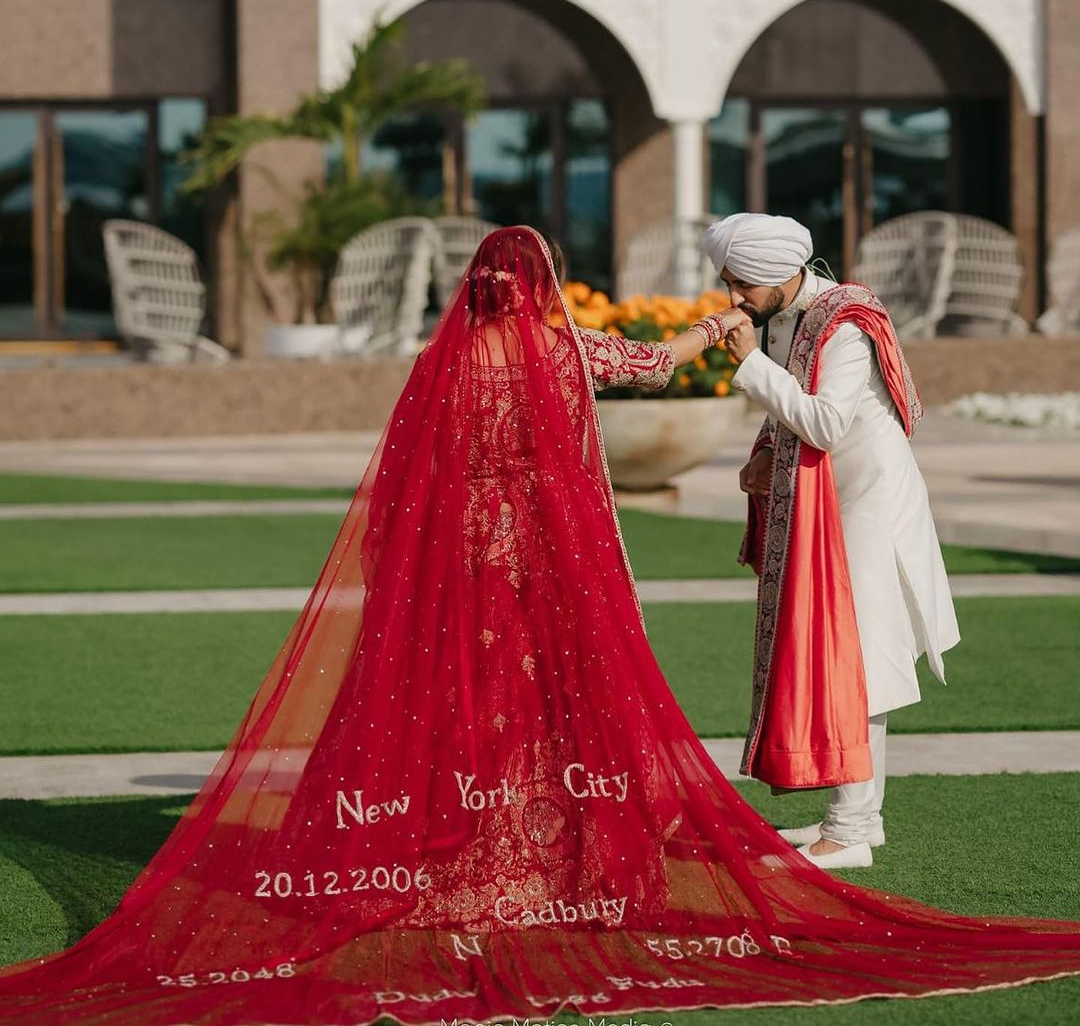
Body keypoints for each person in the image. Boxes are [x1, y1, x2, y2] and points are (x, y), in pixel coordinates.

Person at [0, 226, 1077, 1025]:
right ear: (543, 288)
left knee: (462, 701)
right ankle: (547, 859)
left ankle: (459, 849)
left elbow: (406, 489)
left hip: (457, 571)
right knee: (544, 699)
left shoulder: (451, 363)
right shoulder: (560, 350)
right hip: (541, 571)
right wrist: (714, 332)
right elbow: (648, 365)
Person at [704, 212, 961, 870]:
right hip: (835, 508)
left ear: (775, 274)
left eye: (740, 284)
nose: (733, 297)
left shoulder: (844, 326)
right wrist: (765, 450)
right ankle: (856, 820)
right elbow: (791, 411)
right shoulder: (795, 316)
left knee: (864, 669)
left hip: (870, 510)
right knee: (856, 663)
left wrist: (749, 364)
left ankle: (849, 832)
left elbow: (823, 421)